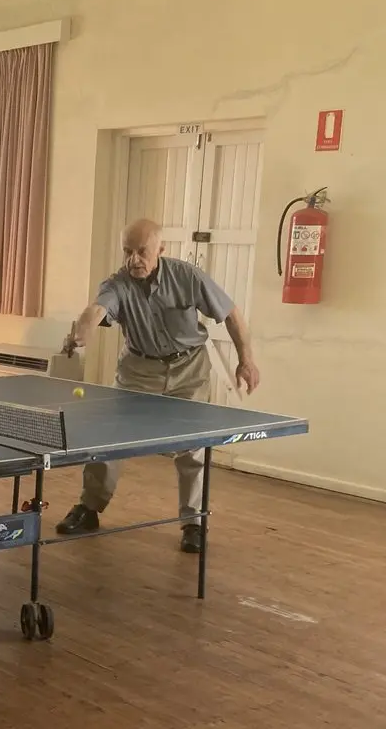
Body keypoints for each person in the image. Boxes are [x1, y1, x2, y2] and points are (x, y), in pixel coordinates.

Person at [58, 218, 261, 553]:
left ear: (160, 250)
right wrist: (82, 332)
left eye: (142, 251)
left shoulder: (187, 276)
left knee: (192, 445)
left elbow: (231, 314)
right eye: (127, 251)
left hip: (189, 368)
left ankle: (193, 523)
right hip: (139, 369)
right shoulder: (117, 284)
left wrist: (246, 360)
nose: (133, 259)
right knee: (107, 435)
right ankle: (89, 508)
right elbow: (95, 310)